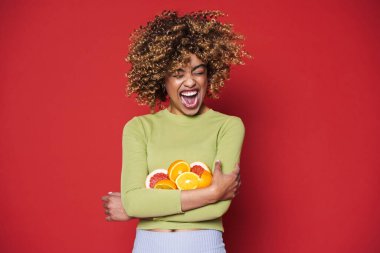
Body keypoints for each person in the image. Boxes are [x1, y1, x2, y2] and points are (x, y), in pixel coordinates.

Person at [101, 10, 251, 253]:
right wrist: (212, 192)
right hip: (149, 246)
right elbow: (135, 201)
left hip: (204, 245)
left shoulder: (228, 126)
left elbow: (217, 209)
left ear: (208, 75)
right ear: (162, 80)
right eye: (178, 74)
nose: (190, 82)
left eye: (198, 71)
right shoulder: (139, 128)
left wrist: (143, 207)